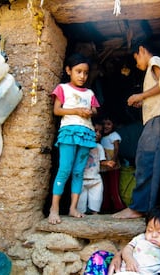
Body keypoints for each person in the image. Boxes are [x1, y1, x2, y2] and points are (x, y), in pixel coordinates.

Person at [113, 39, 160, 219]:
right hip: (156, 119)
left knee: (146, 160)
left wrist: (140, 95)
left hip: (159, 119)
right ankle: (145, 207)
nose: (137, 64)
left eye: (136, 58)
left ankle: (138, 208)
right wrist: (144, 101)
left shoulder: (155, 61)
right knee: (149, 160)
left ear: (141, 50)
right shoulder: (152, 67)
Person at [48, 53, 100, 224]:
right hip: (69, 132)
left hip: (86, 133)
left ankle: (73, 208)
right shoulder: (62, 88)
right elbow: (57, 110)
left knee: (78, 172)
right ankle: (54, 209)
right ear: (68, 70)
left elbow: (95, 111)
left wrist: (90, 112)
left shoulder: (90, 92)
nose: (82, 76)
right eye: (78, 71)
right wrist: (77, 111)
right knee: (64, 170)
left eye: (85, 73)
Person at [83, 203, 160, 275]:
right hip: (123, 271)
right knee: (99, 256)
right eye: (150, 230)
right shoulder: (142, 238)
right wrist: (129, 259)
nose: (153, 235)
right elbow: (128, 248)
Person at [78, 122, 116, 214]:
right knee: (80, 203)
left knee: (96, 200)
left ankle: (95, 214)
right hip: (81, 179)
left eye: (100, 132)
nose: (98, 134)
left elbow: (101, 161)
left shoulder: (99, 147)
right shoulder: (80, 146)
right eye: (95, 131)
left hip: (96, 179)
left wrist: (107, 163)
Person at [100, 116, 125, 212]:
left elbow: (116, 148)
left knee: (114, 187)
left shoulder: (114, 135)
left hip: (113, 166)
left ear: (114, 125)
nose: (105, 126)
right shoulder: (102, 137)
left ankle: (119, 207)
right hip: (104, 166)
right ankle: (106, 207)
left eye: (108, 124)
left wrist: (114, 160)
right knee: (105, 187)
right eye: (104, 124)